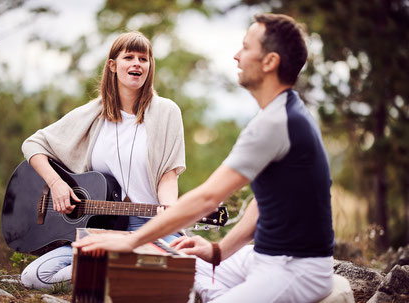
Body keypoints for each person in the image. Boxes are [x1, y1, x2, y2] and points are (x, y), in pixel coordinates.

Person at [73, 13, 335, 303]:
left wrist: (132, 242)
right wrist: (219, 251)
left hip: (296, 268)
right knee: (176, 274)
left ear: (270, 62)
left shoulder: (275, 123)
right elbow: (263, 203)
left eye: (246, 48)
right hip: (262, 256)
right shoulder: (280, 112)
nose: (236, 56)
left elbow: (206, 199)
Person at [19, 31, 186, 289]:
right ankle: (122, 267)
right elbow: (33, 144)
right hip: (99, 228)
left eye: (144, 58)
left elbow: (168, 174)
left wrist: (167, 211)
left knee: (183, 269)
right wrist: (56, 184)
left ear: (150, 66)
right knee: (34, 277)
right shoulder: (93, 114)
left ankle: (120, 267)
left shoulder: (166, 111)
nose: (136, 64)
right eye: (128, 57)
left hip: (150, 225)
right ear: (112, 65)